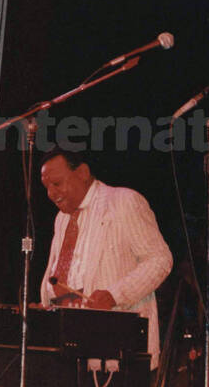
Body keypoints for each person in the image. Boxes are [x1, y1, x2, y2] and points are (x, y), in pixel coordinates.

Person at [39, 148, 173, 369]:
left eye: (57, 184)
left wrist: (114, 295)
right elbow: (61, 274)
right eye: (47, 188)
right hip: (70, 351)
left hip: (118, 353)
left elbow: (160, 259)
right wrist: (47, 304)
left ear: (82, 172)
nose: (51, 194)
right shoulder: (61, 219)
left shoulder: (123, 201)